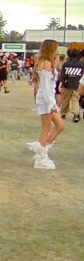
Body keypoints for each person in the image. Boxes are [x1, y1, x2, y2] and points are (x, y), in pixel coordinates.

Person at [27, 39, 62, 170]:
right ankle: (41, 158)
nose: (57, 51)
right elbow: (46, 87)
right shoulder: (46, 63)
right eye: (56, 49)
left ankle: (42, 149)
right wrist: (51, 104)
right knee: (46, 128)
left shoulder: (48, 62)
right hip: (46, 100)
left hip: (48, 99)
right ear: (50, 49)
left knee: (59, 126)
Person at [57, 47, 83, 121]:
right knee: (75, 100)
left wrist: (60, 84)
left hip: (67, 84)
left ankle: (63, 114)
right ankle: (76, 115)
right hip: (77, 85)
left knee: (65, 99)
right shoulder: (81, 65)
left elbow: (63, 75)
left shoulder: (66, 64)